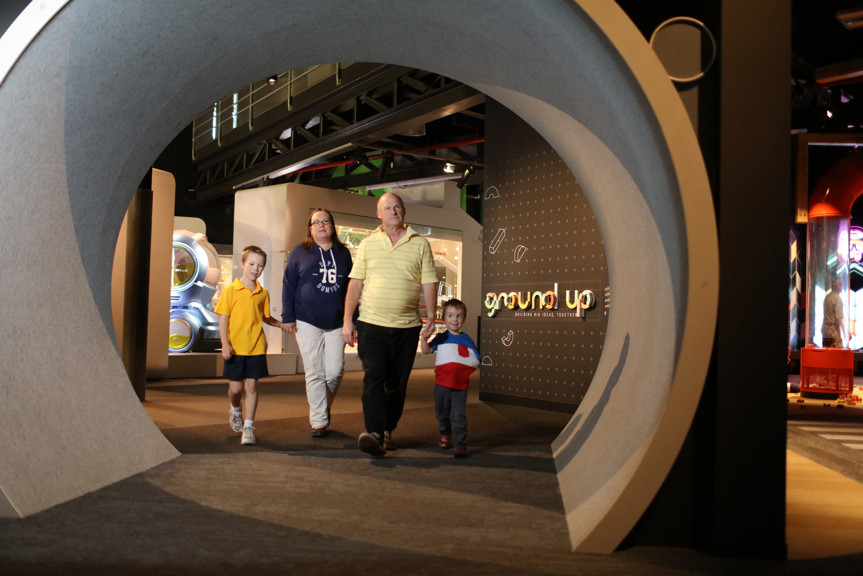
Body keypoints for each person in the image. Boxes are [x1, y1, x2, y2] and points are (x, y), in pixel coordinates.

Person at [342, 192, 438, 457]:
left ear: (404, 211)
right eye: (388, 208)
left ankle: (387, 429)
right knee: (374, 376)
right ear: (379, 214)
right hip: (371, 324)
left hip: (407, 327)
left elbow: (429, 281)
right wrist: (347, 320)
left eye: (398, 207)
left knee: (397, 385)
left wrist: (431, 316)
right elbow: (356, 283)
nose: (394, 211)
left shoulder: (420, 244)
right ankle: (373, 432)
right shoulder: (368, 243)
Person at [281, 208, 354, 437]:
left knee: (334, 371)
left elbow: (353, 289)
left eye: (326, 221)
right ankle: (319, 421)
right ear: (310, 229)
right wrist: (288, 317)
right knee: (314, 372)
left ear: (333, 226)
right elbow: (288, 285)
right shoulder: (299, 252)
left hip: (337, 322)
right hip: (306, 321)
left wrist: (353, 320)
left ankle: (322, 407)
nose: (321, 225)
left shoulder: (344, 253)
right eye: (316, 222)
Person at [215, 245, 282, 445]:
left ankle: (248, 427)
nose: (256, 269)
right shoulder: (231, 290)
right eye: (252, 264)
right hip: (235, 348)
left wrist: (282, 325)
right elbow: (223, 320)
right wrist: (225, 344)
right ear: (243, 264)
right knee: (235, 390)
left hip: (256, 347)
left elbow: (266, 317)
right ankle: (235, 409)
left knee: (251, 386)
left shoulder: (263, 293)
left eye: (260, 266)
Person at [420, 298, 480, 458]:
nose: (455, 320)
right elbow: (426, 351)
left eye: (459, 316)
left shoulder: (467, 340)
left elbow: (475, 360)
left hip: (460, 386)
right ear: (445, 318)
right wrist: (423, 340)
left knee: (459, 416)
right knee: (442, 414)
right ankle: (445, 434)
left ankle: (460, 443)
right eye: (451, 316)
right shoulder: (441, 337)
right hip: (441, 385)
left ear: (464, 319)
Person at [822, 275, 846, 348]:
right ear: (838, 286)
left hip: (825, 331)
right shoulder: (837, 299)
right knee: (838, 354)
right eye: (841, 284)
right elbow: (839, 318)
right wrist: (845, 333)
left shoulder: (827, 297)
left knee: (826, 353)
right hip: (833, 331)